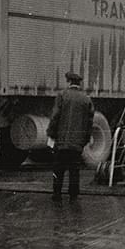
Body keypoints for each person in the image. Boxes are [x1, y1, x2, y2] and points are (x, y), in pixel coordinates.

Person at [46, 72, 94, 202]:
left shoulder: (62, 95)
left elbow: (55, 116)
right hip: (77, 143)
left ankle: (57, 194)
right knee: (74, 169)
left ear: (68, 82)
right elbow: (89, 122)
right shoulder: (86, 99)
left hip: (62, 141)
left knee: (59, 168)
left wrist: (51, 133)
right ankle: (73, 195)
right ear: (79, 84)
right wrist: (85, 139)